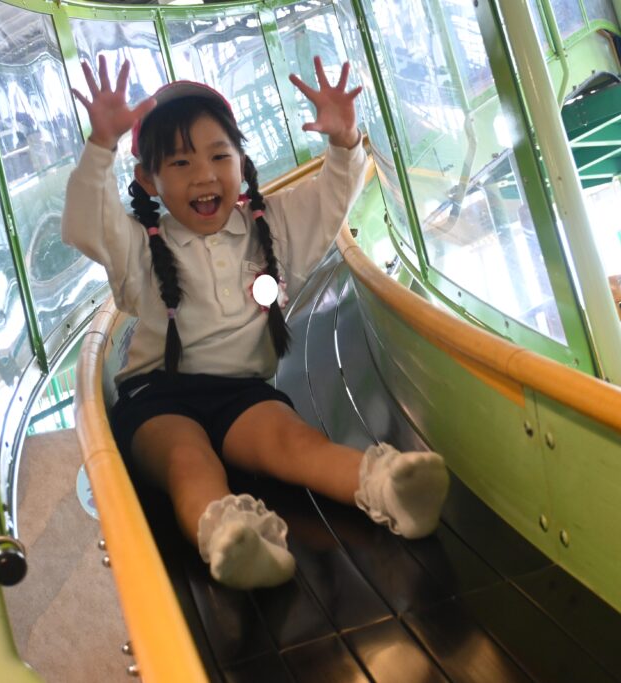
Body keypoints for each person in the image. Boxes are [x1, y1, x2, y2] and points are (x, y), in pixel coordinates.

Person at [62, 56, 449, 589]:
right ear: (148, 180)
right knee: (188, 462)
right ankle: (230, 539)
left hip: (242, 394)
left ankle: (390, 488)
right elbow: (86, 224)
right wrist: (100, 147)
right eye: (180, 163)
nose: (204, 174)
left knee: (295, 443)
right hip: (156, 400)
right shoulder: (138, 246)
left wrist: (344, 140)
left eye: (219, 155)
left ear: (242, 163)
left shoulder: (271, 225)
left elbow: (332, 197)